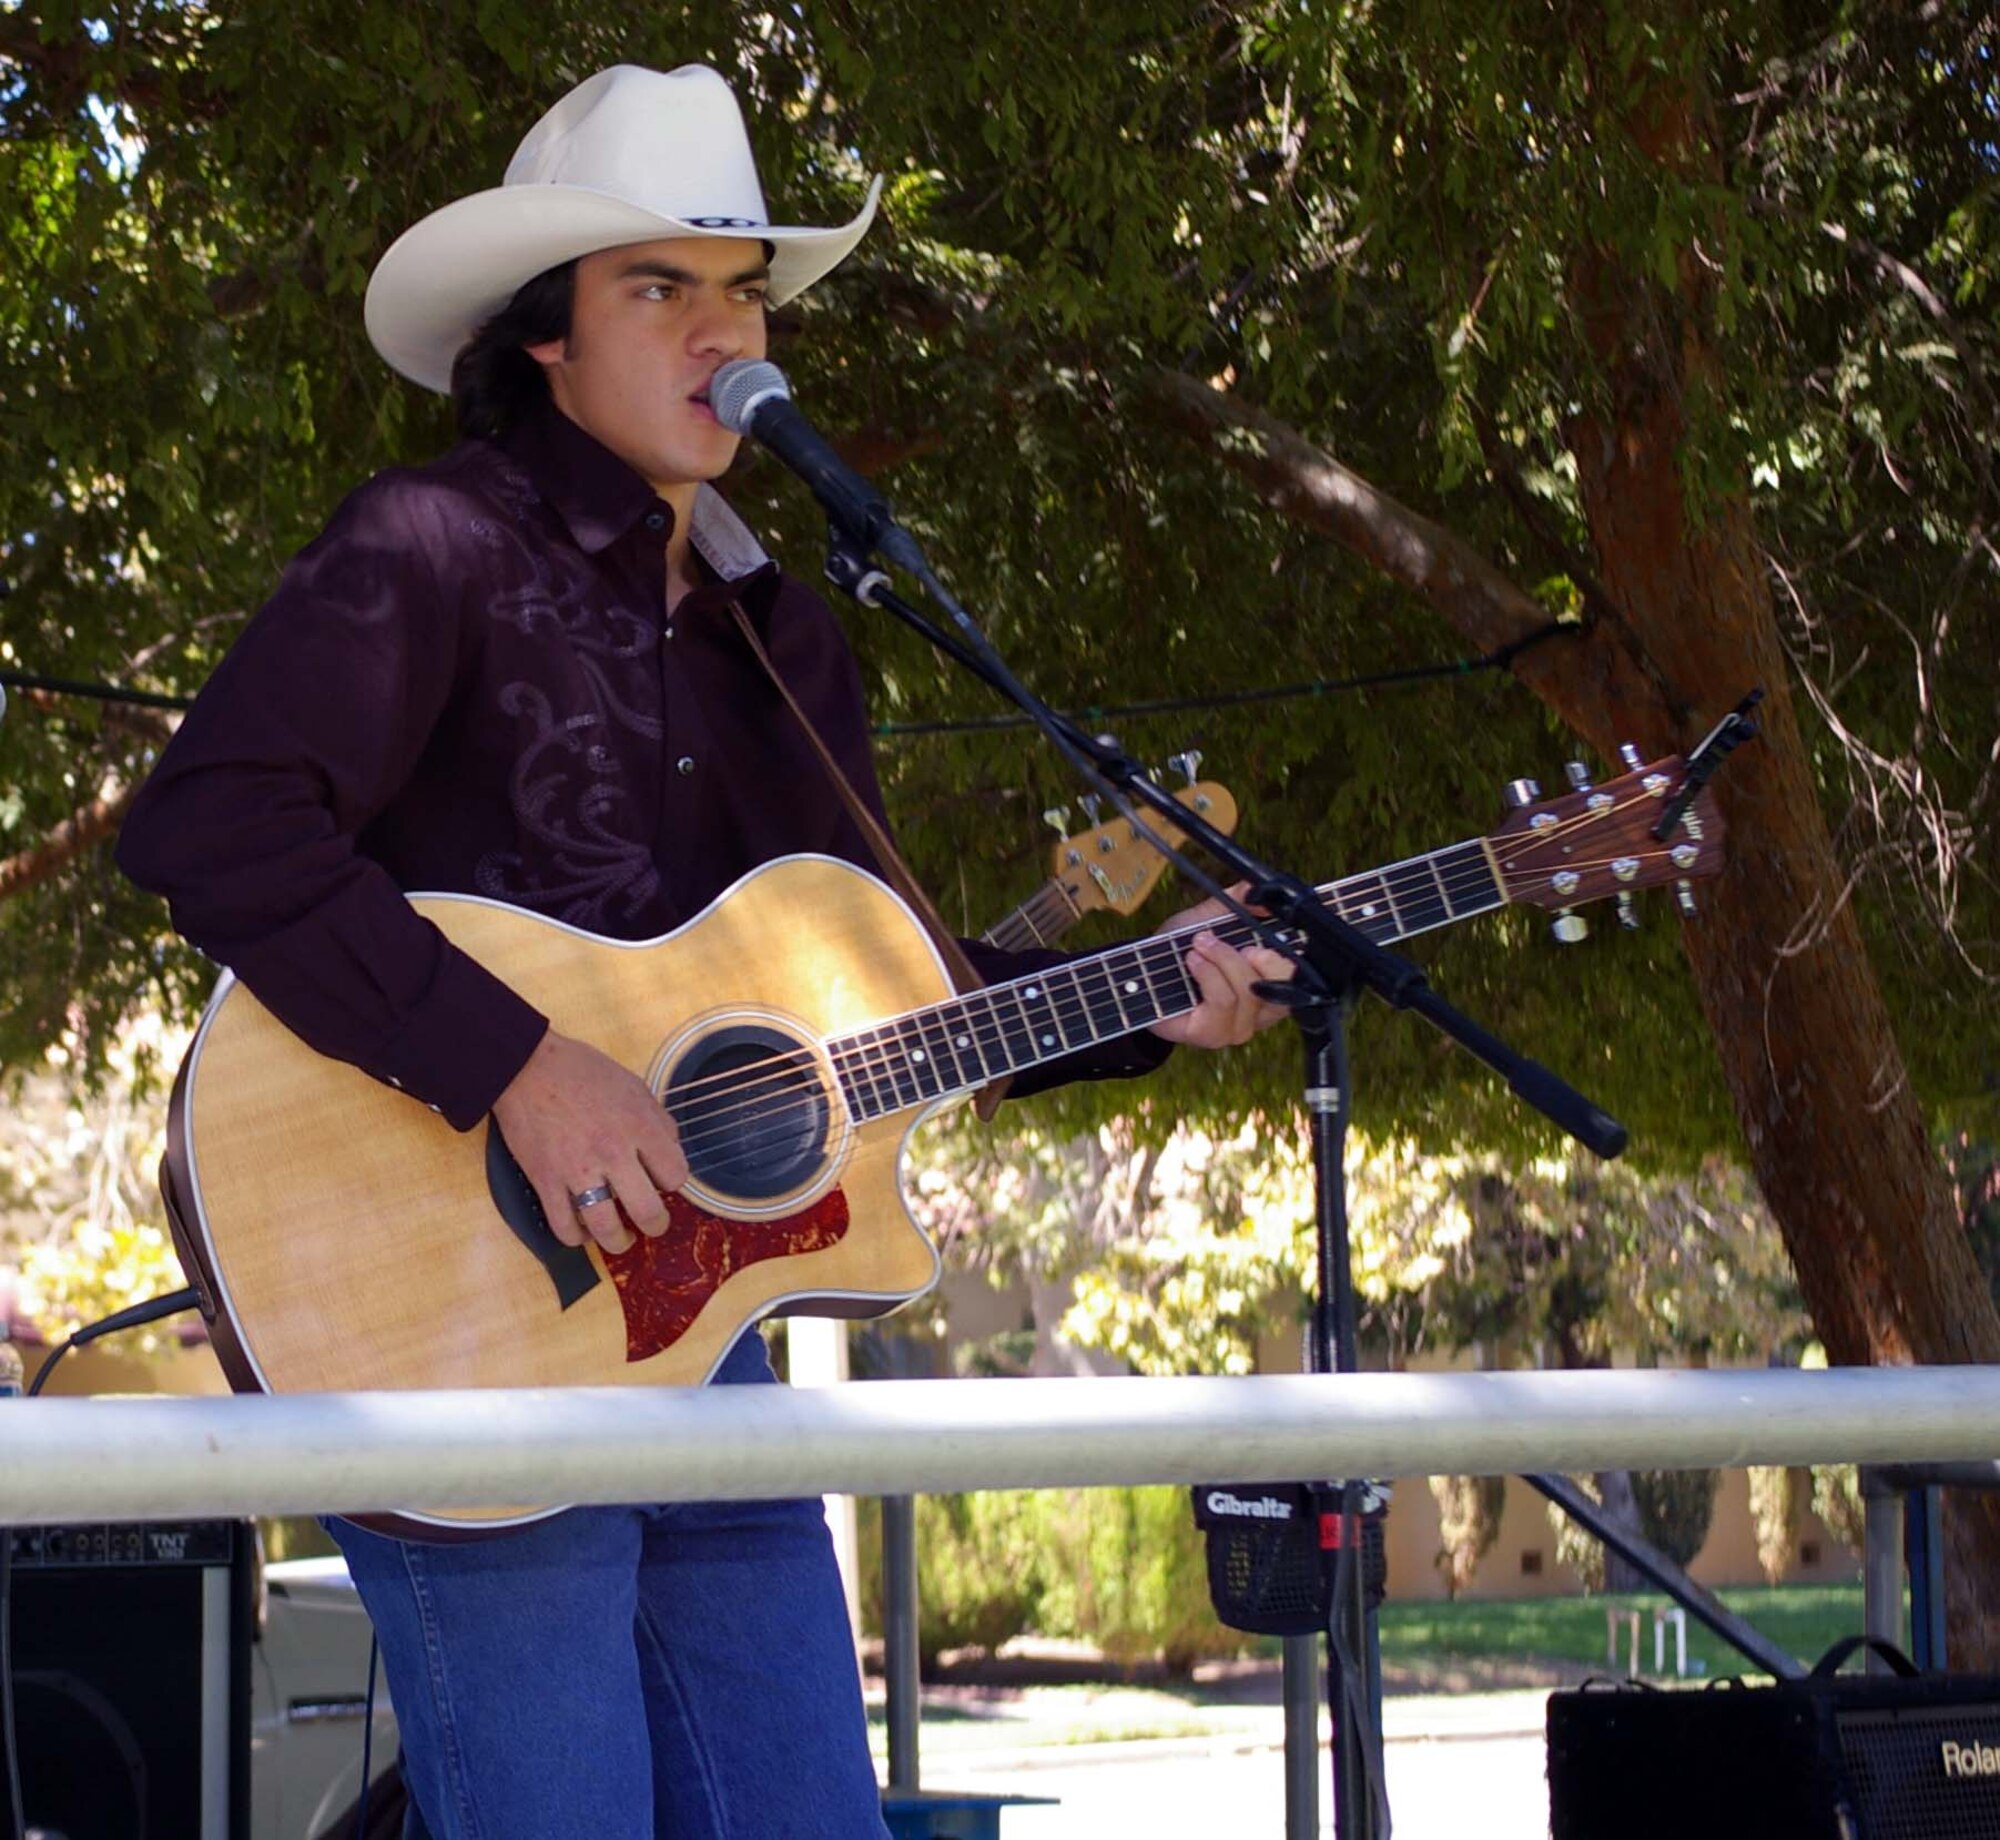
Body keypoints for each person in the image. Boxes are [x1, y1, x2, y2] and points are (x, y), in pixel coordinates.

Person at [117, 62, 1290, 1840]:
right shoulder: (429, 546)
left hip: (704, 1333)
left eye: (740, 290)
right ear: (544, 338)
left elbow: (881, 1013)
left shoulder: (785, 644)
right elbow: (213, 825)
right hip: (447, 1330)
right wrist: (521, 1067)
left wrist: (1152, 1005)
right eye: (658, 287)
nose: (720, 329)